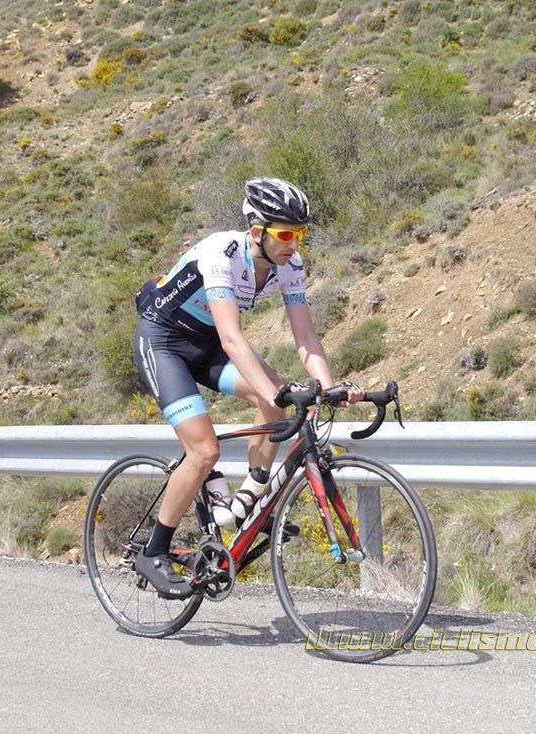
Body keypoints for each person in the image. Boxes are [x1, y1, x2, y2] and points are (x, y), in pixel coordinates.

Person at [131, 177, 365, 597]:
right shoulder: (221, 253)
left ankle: (248, 504)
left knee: (276, 401)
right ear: (257, 232)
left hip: (205, 346)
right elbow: (232, 338)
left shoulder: (290, 265)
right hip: (164, 342)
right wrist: (275, 390)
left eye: (300, 234)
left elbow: (306, 337)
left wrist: (330, 387)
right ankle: (154, 551)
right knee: (204, 451)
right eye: (286, 234)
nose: (294, 243)